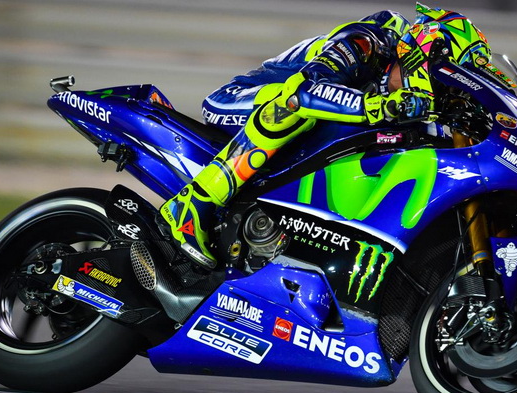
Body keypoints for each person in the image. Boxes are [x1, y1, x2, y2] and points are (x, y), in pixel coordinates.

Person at [159, 3, 492, 269]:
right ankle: (194, 204)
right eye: (450, 80)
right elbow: (306, 91)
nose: (449, 92)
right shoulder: (371, 41)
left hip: (300, 136)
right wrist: (379, 106)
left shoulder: (423, 107)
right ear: (428, 53)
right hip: (242, 100)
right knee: (293, 105)